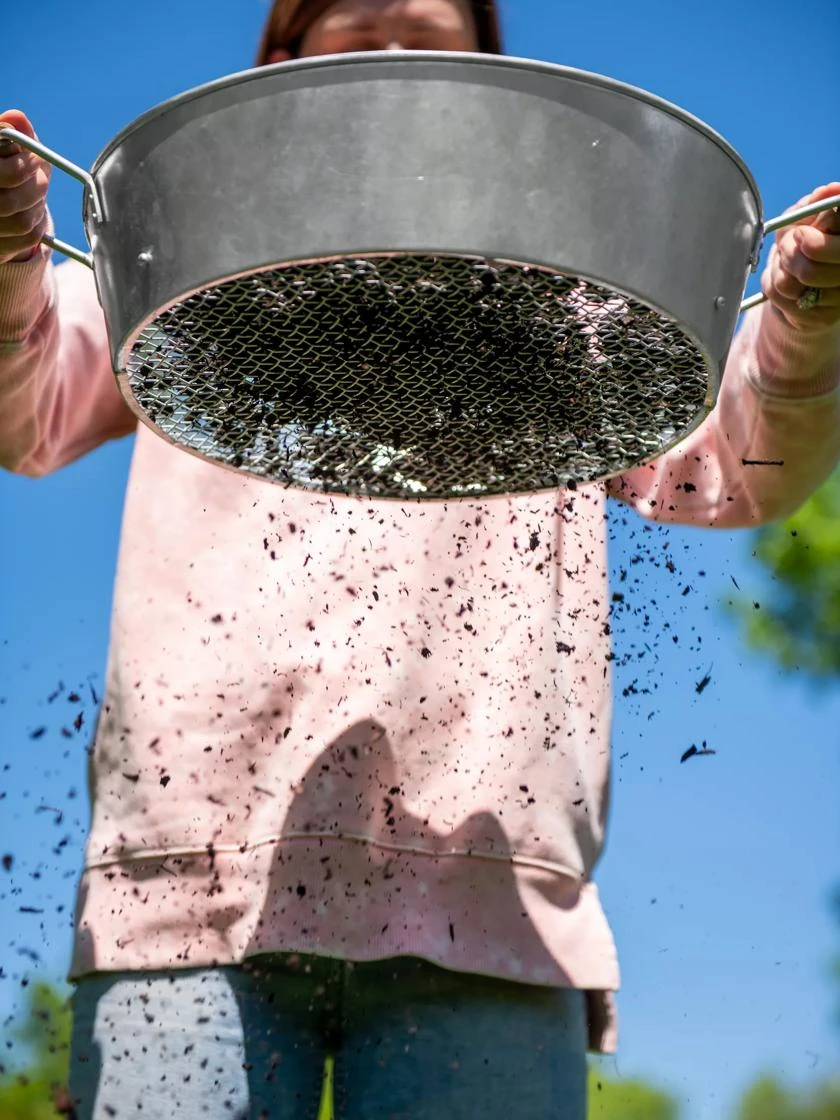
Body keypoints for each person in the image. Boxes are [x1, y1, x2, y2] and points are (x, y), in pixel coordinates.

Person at [1, 1, 838, 1117]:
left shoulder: (566, 290)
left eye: (430, 38)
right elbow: (29, 409)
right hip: (190, 876)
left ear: (488, 74)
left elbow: (737, 464)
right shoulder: (189, 253)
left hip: (489, 889)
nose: (395, 64)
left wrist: (806, 319)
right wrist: (8, 246)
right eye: (358, 38)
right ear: (281, 66)